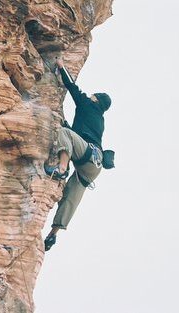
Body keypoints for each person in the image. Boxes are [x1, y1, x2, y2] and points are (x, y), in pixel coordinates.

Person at [44, 57, 112, 251]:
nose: (89, 95)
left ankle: (62, 168)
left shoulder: (88, 105)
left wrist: (61, 67)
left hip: (87, 155)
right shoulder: (100, 119)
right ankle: (52, 236)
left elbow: (72, 87)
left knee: (64, 134)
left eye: (92, 95)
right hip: (93, 167)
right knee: (71, 198)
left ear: (95, 99)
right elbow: (83, 132)